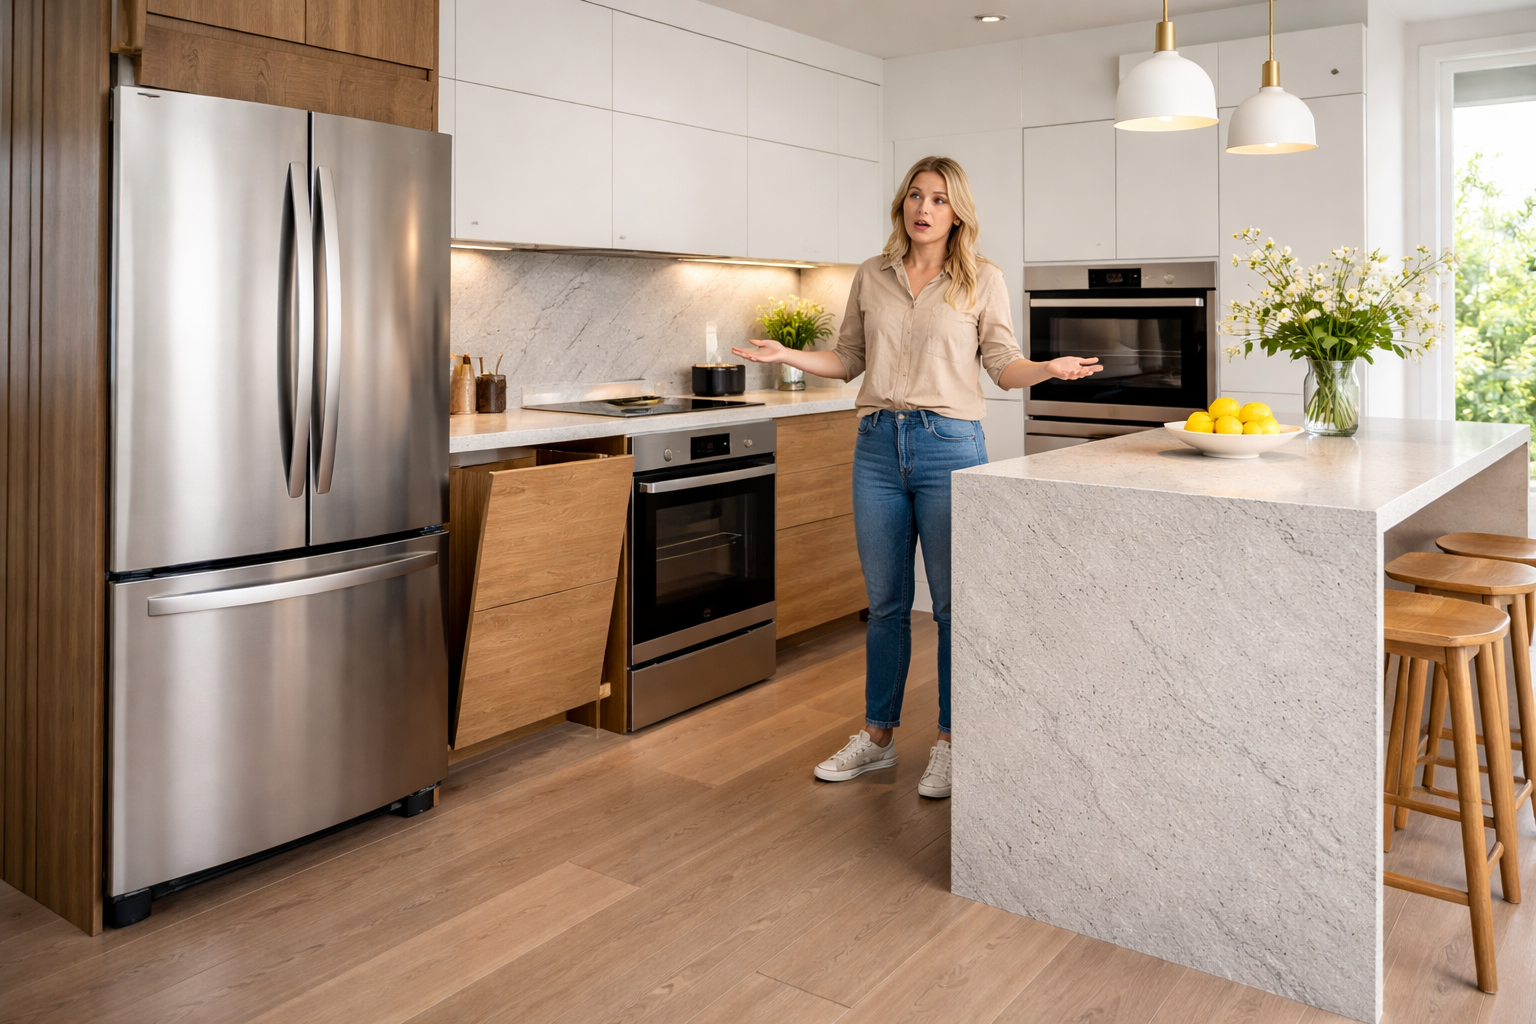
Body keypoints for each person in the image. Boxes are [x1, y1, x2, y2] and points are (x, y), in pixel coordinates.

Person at [733, 156, 1102, 799]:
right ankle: (877, 740)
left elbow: (1002, 364)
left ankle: (955, 743)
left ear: (956, 211)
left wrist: (1046, 368)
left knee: (956, 607)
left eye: (937, 199)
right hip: (876, 446)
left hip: (949, 447)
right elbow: (848, 358)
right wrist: (785, 353)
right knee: (887, 605)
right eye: (914, 196)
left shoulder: (981, 280)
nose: (923, 209)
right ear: (902, 205)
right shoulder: (871, 277)